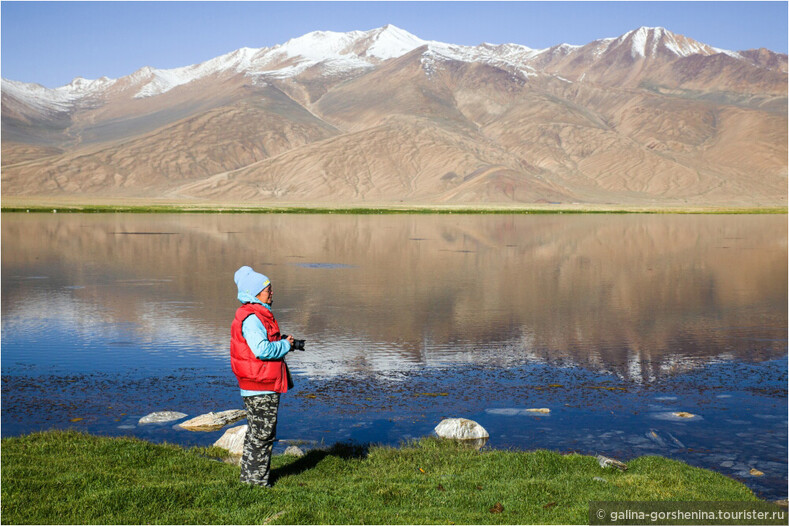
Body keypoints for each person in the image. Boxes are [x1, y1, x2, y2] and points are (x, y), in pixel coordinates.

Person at [230, 265, 295, 487]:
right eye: (268, 289)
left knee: (256, 435)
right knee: (263, 436)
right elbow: (262, 350)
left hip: (258, 383)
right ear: (256, 293)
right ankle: (257, 484)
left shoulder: (254, 314)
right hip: (261, 385)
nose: (271, 292)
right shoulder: (253, 319)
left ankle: (249, 481)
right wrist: (284, 345)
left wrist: (282, 342)